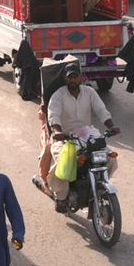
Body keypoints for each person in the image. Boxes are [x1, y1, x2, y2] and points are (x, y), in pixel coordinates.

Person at [47, 62, 119, 212]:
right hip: (66, 138)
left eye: (75, 77)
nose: (72, 80)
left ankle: (100, 183)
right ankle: (61, 197)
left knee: (110, 157)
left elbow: (101, 110)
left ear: (80, 78)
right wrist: (57, 132)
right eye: (69, 77)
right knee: (62, 164)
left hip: (87, 134)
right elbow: (53, 115)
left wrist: (111, 126)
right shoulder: (58, 95)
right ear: (65, 79)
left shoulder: (89, 92)